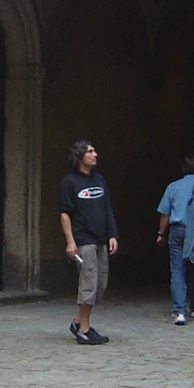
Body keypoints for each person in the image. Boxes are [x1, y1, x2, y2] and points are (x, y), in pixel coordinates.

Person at [58, 140, 118, 345]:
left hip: (100, 239)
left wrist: (112, 234)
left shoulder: (99, 179)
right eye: (90, 151)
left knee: (100, 284)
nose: (95, 154)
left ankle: (78, 322)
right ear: (79, 157)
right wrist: (70, 241)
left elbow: (107, 208)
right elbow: (65, 214)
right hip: (83, 240)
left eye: (94, 150)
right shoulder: (69, 182)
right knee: (88, 283)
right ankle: (84, 330)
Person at [156, 153, 194, 323]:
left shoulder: (173, 187)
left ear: (183, 169)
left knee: (177, 270)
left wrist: (161, 234)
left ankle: (179, 312)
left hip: (178, 231)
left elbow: (165, 214)